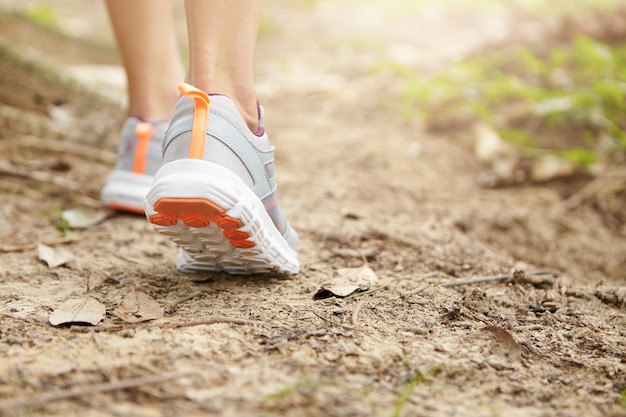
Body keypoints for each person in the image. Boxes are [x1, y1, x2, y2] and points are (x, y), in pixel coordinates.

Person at [100, 0, 299, 275]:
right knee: (215, 85)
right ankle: (225, 107)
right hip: (222, 140)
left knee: (160, 102)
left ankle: (151, 123)